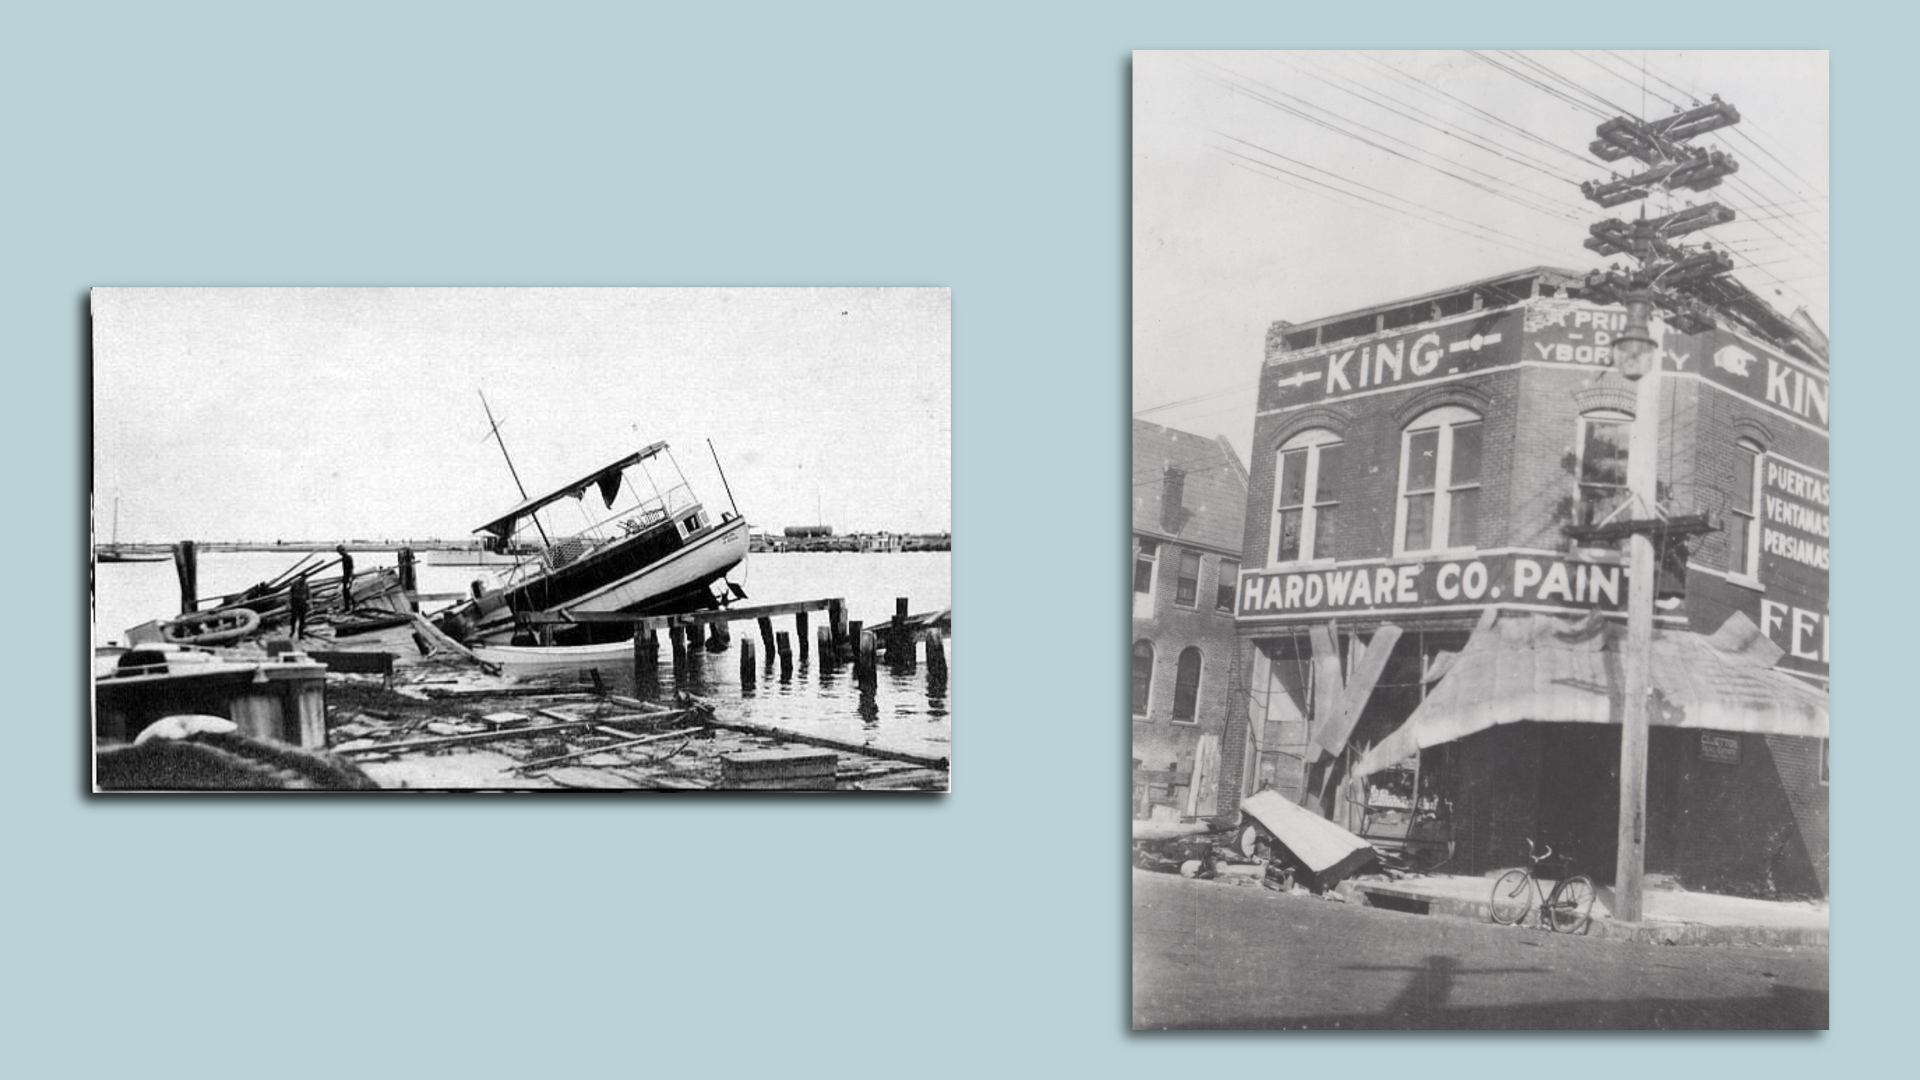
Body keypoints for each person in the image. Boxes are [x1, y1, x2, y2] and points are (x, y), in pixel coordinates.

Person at [288, 573, 311, 639]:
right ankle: (292, 631)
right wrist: (288, 603)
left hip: (303, 603)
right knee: (293, 618)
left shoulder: (306, 585)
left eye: (305, 578)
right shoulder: (294, 584)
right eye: (303, 578)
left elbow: (309, 594)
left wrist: (309, 603)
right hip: (295, 603)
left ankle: (300, 635)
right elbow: (290, 594)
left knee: (302, 620)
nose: (304, 579)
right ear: (300, 577)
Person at [335, 544, 355, 612]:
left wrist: (350, 578)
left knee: (347, 592)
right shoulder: (344, 558)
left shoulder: (348, 557)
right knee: (345, 592)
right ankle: (348, 607)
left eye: (339, 552)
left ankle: (351, 605)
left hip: (348, 577)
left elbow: (351, 568)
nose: (339, 554)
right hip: (345, 577)